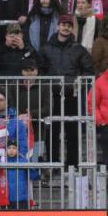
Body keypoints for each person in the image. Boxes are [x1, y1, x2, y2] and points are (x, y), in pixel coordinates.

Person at [40, 15, 94, 166]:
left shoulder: (78, 49)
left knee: (72, 130)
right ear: (58, 26)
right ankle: (53, 163)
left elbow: (89, 70)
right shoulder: (46, 48)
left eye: (69, 25)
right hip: (52, 93)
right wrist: (46, 84)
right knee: (52, 129)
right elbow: (39, 69)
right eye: (63, 24)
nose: (66, 27)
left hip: (72, 94)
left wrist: (79, 83)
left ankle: (72, 164)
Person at [0, 138, 40, 209]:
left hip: (22, 199)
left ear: (18, 150)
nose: (11, 150)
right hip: (6, 199)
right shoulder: (1, 161)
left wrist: (38, 167)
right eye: (9, 148)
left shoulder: (24, 161)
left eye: (14, 148)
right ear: (6, 150)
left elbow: (34, 176)